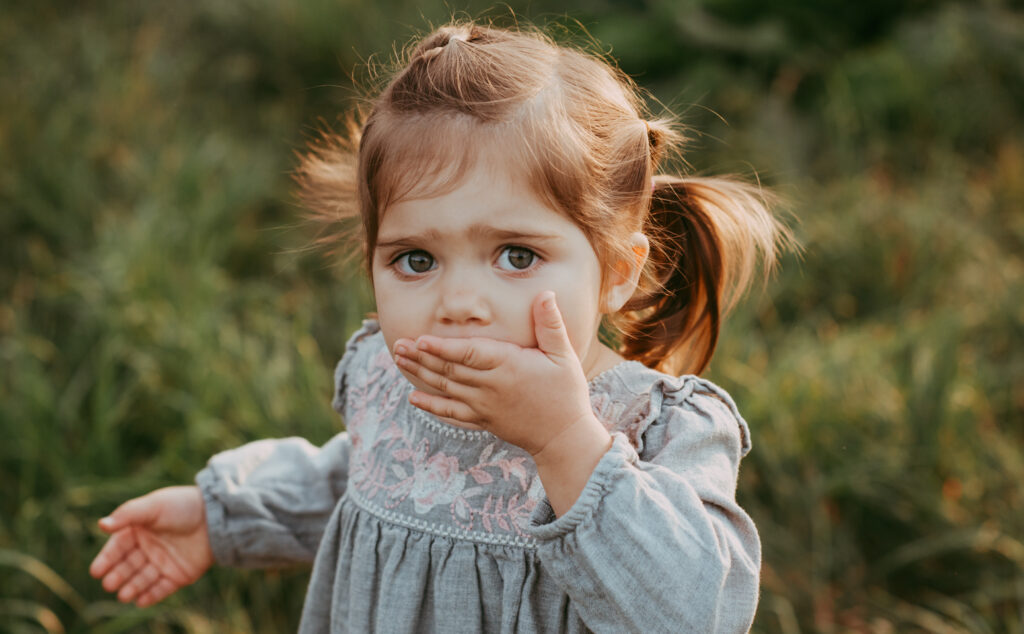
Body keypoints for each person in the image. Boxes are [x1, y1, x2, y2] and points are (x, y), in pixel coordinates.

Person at [89, 21, 791, 633]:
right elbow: (360, 477)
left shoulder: (657, 427)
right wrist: (223, 514)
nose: (459, 301)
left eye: (517, 256)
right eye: (415, 259)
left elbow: (699, 610)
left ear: (617, 271)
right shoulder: (393, 379)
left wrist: (565, 442)